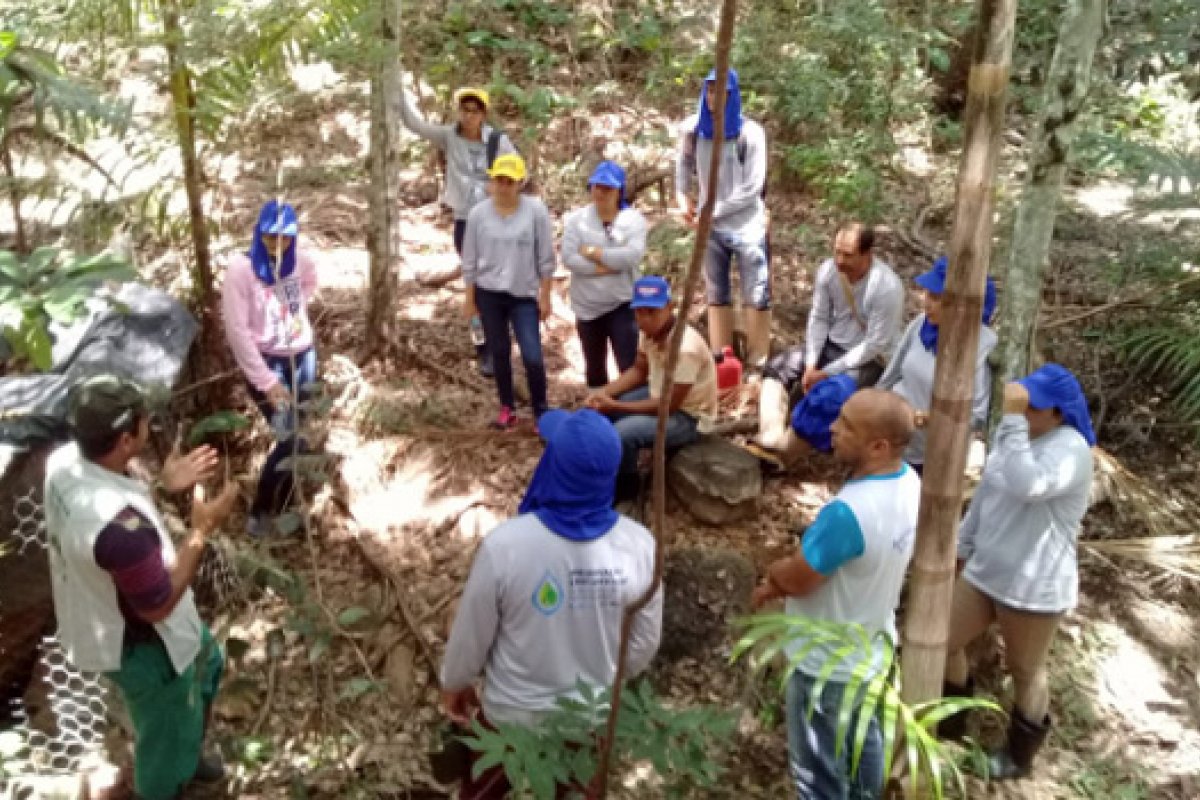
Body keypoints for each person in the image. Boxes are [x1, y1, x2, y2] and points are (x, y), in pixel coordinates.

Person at [440, 408, 662, 798]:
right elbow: (643, 645)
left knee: (482, 792)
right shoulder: (640, 546)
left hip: (511, 715)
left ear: (553, 465)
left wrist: (455, 682)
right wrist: (603, 671)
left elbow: (472, 634)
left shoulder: (506, 546)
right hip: (589, 716)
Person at [43, 374, 239, 800]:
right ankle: (167, 781)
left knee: (209, 664)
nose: (150, 425)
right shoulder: (119, 531)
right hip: (145, 644)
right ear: (126, 440)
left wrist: (161, 485)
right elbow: (158, 604)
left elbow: (113, 505)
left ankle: (188, 754)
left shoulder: (64, 463)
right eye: (143, 422)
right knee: (164, 732)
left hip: (115, 610)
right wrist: (202, 529)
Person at [751, 389, 921, 800]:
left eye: (845, 425)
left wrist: (772, 575)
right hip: (870, 649)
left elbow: (800, 577)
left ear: (879, 446)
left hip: (824, 662)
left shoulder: (849, 512)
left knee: (818, 775)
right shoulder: (910, 482)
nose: (832, 429)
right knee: (863, 748)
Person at [940, 364, 1096, 780]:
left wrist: (1010, 422)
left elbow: (1028, 485)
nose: (1023, 413)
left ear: (1058, 414)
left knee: (1026, 672)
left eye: (1032, 408)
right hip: (986, 571)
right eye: (1022, 405)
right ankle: (950, 725)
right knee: (943, 641)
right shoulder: (1015, 438)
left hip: (1035, 587)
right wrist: (962, 546)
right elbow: (990, 492)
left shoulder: (1071, 450)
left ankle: (1018, 758)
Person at [750, 222, 904, 465]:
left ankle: (783, 455)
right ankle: (771, 434)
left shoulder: (886, 287)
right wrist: (811, 363)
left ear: (867, 254)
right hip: (833, 343)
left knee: (831, 395)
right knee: (777, 368)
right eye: (837, 252)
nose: (840, 260)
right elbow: (819, 317)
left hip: (869, 359)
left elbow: (874, 344)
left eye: (848, 255)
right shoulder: (828, 271)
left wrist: (826, 373)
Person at [397, 81, 517, 376]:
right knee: (473, 287)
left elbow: (518, 171)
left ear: (484, 114)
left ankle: (502, 342)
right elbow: (415, 124)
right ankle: (483, 350)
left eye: (475, 111)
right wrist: (395, 90)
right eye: (465, 109)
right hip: (465, 221)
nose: (469, 116)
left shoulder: (496, 142)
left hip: (494, 221)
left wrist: (499, 192)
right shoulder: (449, 136)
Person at [221, 200, 318, 535]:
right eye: (271, 237)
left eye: (286, 238)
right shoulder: (240, 271)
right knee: (290, 436)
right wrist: (265, 380)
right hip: (267, 362)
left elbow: (308, 282)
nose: (278, 245)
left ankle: (288, 504)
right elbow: (237, 332)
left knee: (297, 433)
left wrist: (296, 313)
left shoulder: (299, 261)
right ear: (259, 232)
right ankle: (262, 507)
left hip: (302, 355)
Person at [585, 276, 719, 501]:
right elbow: (639, 370)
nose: (643, 319)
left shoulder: (684, 348)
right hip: (659, 393)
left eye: (651, 312)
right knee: (605, 413)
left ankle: (627, 489)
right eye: (639, 312)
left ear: (669, 307)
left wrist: (616, 404)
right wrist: (604, 393)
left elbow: (669, 405)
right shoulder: (649, 333)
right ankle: (604, 471)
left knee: (622, 434)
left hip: (690, 416)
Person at [676, 67, 772, 369]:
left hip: (747, 227)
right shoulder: (692, 129)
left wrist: (711, 210)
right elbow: (683, 161)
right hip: (712, 229)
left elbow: (752, 187)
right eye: (711, 90)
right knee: (717, 291)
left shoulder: (750, 133)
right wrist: (682, 195)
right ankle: (722, 358)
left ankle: (758, 361)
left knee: (756, 293)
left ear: (734, 95)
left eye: (723, 92)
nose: (716, 97)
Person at [877, 256, 999, 474]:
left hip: (931, 454)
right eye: (927, 294)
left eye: (936, 297)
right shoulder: (921, 325)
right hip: (891, 433)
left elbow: (977, 414)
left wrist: (929, 418)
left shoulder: (981, 345)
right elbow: (892, 374)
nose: (926, 303)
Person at [463, 153, 556, 429]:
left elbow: (546, 256)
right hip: (489, 293)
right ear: (491, 182)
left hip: (523, 294)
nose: (503, 186)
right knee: (499, 351)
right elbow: (469, 259)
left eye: (509, 181)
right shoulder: (478, 214)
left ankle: (541, 411)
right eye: (499, 180)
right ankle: (507, 407)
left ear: (519, 183)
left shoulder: (536, 211)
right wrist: (470, 300)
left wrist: (546, 295)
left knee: (532, 355)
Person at [560, 160, 648, 389]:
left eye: (607, 188)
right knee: (594, 366)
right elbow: (569, 258)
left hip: (622, 303)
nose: (601, 192)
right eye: (597, 186)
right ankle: (598, 414)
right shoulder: (577, 220)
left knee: (628, 364)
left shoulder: (633, 220)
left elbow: (632, 255)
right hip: (587, 306)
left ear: (619, 190)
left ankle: (631, 413)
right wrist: (602, 268)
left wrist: (593, 252)